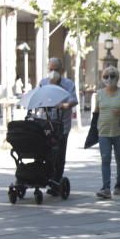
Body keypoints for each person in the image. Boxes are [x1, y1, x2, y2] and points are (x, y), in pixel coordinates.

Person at [93, 67, 120, 199]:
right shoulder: (99, 94)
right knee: (105, 159)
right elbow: (96, 112)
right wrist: (93, 131)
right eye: (106, 77)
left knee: (119, 160)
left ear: (117, 78)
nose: (109, 79)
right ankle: (106, 188)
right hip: (103, 132)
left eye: (112, 76)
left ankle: (118, 185)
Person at [39, 57, 78, 194]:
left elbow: (74, 100)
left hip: (62, 125)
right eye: (51, 69)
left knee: (59, 154)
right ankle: (46, 177)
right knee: (46, 152)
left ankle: (56, 182)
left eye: (56, 70)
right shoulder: (43, 83)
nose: (53, 72)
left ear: (61, 70)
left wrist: (64, 105)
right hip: (46, 123)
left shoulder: (68, 84)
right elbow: (39, 99)